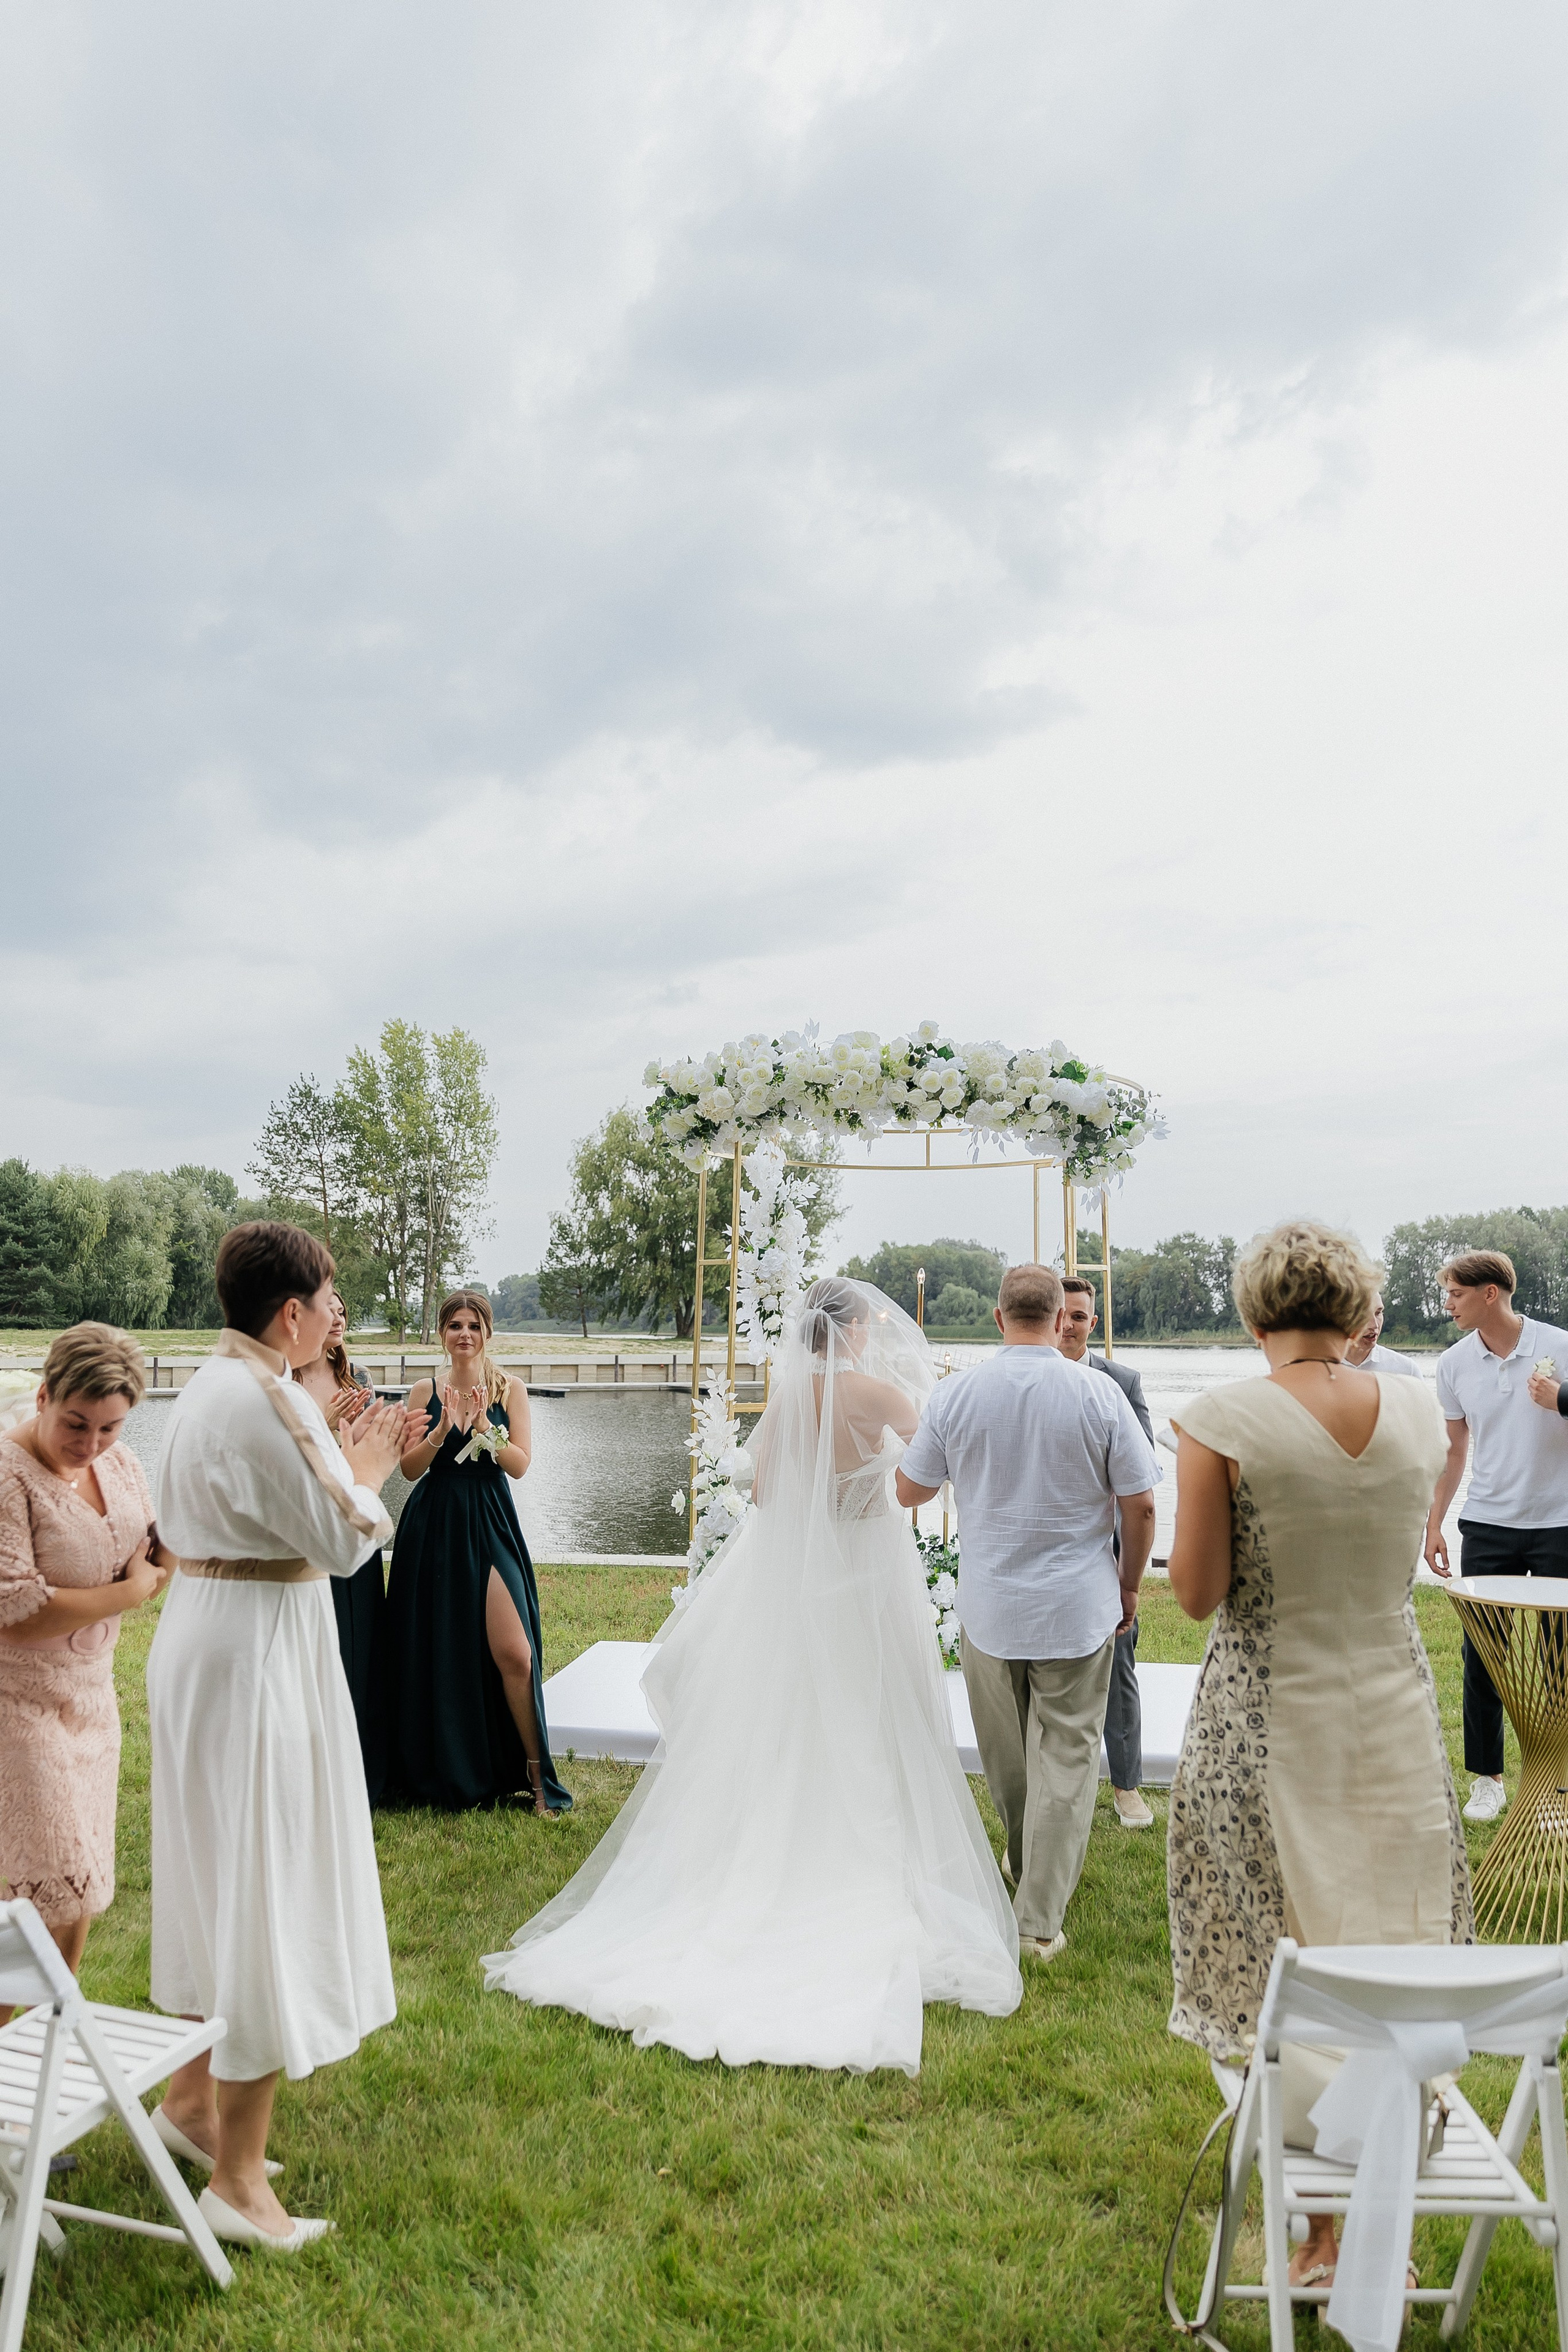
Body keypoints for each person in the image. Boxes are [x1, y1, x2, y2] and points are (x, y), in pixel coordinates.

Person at [484, 1278, 1020, 2073]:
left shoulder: (790, 1397)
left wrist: (825, 1492)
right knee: (874, 1714)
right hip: (867, 1572)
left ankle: (769, 1854)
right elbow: (930, 1470)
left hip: (803, 1584)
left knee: (793, 1714)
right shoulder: (874, 1393)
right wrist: (872, 1479)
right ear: (857, 1335)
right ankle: (859, 1864)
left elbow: (766, 1489)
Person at [1166, 1218, 1471, 2297]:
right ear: (1356, 1315)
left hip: (1263, 1719)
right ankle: (1366, 2201)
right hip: (1393, 1714)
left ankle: (1326, 2230)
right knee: (1389, 1938)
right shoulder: (1425, 1407)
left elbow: (1198, 1594)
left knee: (1282, 1963)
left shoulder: (1220, 1419)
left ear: (1256, 1317)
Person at [147, 1222, 417, 2251]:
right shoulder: (264, 1394)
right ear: (292, 1312)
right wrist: (376, 1462)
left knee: (218, 1870)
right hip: (257, 1649)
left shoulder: (207, 1384)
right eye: (331, 1297)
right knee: (264, 1881)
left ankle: (190, 2102)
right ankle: (240, 2180)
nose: (336, 1312)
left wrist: (340, 1465)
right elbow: (346, 1539)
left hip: (211, 1635)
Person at [895, 1264, 1157, 1962]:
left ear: (996, 1315)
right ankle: (1038, 1922)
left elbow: (910, 1491)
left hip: (990, 1607)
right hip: (1078, 1606)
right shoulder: (1098, 1394)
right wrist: (1129, 1584)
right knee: (1066, 1756)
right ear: (1056, 1317)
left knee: (1008, 1759)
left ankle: (1025, 1873)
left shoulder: (954, 1395)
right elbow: (1142, 1504)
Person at [0, 1325, 172, 2023]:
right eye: (75, 1424)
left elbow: (154, 1542)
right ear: (43, 1395)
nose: (91, 1442)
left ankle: (39, 2062)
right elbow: (18, 1608)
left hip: (92, 1703)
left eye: (109, 1426)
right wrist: (133, 1592)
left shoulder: (121, 1463)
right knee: (45, 1891)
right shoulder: (8, 1476)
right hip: (17, 1702)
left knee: (83, 1887)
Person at [383, 1290, 570, 1815]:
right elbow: (409, 1470)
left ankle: (538, 1781)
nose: (463, 1334)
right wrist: (442, 1433)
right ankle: (443, 1768)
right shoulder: (424, 1391)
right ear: (442, 1334)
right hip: (434, 1526)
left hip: (489, 1520)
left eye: (473, 1325)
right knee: (439, 1647)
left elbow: (520, 1465)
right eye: (454, 1325)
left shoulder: (510, 1389)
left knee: (516, 1652)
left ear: (488, 1333)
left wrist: (487, 1431)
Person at [1423, 1249, 1568, 1825]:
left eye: (1455, 1294)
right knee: (1483, 1657)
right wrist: (1434, 1522)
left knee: (1562, 1658)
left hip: (1560, 1523)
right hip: (1486, 1524)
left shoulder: (1560, 1344)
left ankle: (1557, 1779)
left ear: (1490, 1294)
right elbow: (1453, 1451)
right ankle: (1488, 1781)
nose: (1446, 1305)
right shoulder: (1453, 1364)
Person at [1057, 1276, 1155, 1828]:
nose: (1070, 1325)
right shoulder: (1027, 1378)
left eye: (1080, 1316)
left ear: (1094, 1323)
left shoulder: (1122, 1382)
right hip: (1049, 1548)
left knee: (1120, 1669)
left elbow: (1140, 1478)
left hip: (1106, 1551)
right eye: (1063, 1314)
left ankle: (1126, 1787)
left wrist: (1127, 1571)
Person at [294, 1289, 385, 1799]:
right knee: (320, 1641)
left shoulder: (360, 1380)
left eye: (344, 1310)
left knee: (362, 1639)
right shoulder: (287, 1381)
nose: (338, 1317)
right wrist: (325, 1426)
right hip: (310, 1524)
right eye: (329, 1308)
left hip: (355, 1514)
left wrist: (383, 1435)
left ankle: (366, 1767)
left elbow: (363, 1460)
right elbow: (288, 1460)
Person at [1344, 1289, 1422, 1376]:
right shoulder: (1326, 1369)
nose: (1375, 1325)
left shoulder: (1407, 1370)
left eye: (1378, 1313)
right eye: (1365, 1315)